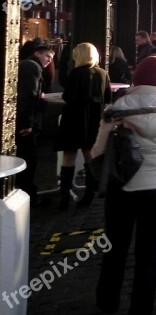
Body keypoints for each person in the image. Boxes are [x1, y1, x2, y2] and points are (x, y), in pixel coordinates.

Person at [93, 56, 156, 315]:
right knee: (148, 254)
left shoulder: (117, 108)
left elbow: (97, 151)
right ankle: (141, 311)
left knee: (114, 247)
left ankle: (107, 301)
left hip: (122, 189)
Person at [54, 42, 112, 209]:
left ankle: (64, 197)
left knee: (69, 157)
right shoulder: (103, 73)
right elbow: (108, 98)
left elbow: (68, 96)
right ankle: (89, 195)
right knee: (90, 157)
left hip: (73, 118)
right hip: (94, 119)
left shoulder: (76, 73)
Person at [15, 44, 55, 203]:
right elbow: (29, 96)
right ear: (37, 53)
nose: (49, 61)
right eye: (48, 57)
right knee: (28, 158)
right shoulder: (33, 67)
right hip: (27, 122)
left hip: (25, 119)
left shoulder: (27, 65)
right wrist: (27, 123)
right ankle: (28, 194)